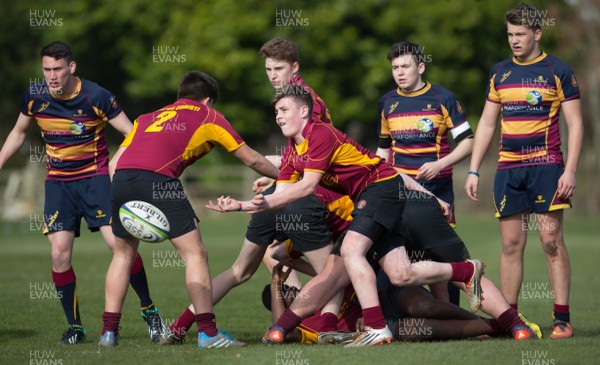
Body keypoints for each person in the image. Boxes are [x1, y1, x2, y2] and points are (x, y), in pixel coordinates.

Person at [214, 87, 484, 347]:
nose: (278, 116)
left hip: (381, 185)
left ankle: (377, 328)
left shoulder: (320, 134)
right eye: (276, 112)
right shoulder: (292, 151)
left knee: (351, 250)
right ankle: (466, 270)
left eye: (284, 109)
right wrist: (241, 205)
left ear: (304, 111)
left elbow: (307, 187)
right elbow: (281, 194)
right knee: (401, 273)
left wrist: (259, 203)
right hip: (369, 197)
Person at [158, 37, 343, 344]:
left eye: (278, 67)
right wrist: (279, 173)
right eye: (268, 68)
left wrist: (278, 173)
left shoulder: (305, 99)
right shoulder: (294, 99)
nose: (272, 74)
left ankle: (180, 328)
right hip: (295, 201)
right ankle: (324, 328)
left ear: (295, 67)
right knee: (330, 271)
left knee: (244, 268)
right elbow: (307, 157)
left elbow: (315, 153)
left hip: (291, 198)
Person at [98, 71, 280, 348]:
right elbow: (252, 159)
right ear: (208, 100)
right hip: (159, 181)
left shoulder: (147, 118)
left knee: (123, 255)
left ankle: (108, 334)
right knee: (195, 253)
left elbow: (113, 164)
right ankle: (208, 334)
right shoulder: (209, 116)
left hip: (121, 180)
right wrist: (286, 176)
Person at [0, 41, 164, 344]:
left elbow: (132, 133)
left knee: (119, 248)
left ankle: (149, 310)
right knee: (59, 254)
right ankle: (75, 327)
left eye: (58, 69)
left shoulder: (96, 96)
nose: (52, 76)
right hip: (58, 184)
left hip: (96, 178)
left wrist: (129, 165)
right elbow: (19, 132)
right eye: (47, 69)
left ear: (71, 67)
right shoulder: (35, 96)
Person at [464, 3, 582, 339]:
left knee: (550, 240)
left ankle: (562, 319)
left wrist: (570, 170)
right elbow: (487, 123)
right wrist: (473, 170)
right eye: (510, 35)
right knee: (511, 244)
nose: (514, 40)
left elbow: (575, 123)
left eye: (520, 34)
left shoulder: (558, 70)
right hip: (508, 169)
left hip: (547, 167)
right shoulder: (499, 72)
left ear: (537, 33)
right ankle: (510, 320)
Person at [376, 41, 474, 306]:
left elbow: (468, 142)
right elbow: (383, 152)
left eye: (405, 66)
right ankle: (398, 316)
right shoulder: (386, 103)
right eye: (395, 67)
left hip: (437, 192)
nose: (399, 72)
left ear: (421, 66)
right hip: (399, 194)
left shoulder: (443, 99)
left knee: (444, 259)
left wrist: (440, 164)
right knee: (398, 256)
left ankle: (453, 317)